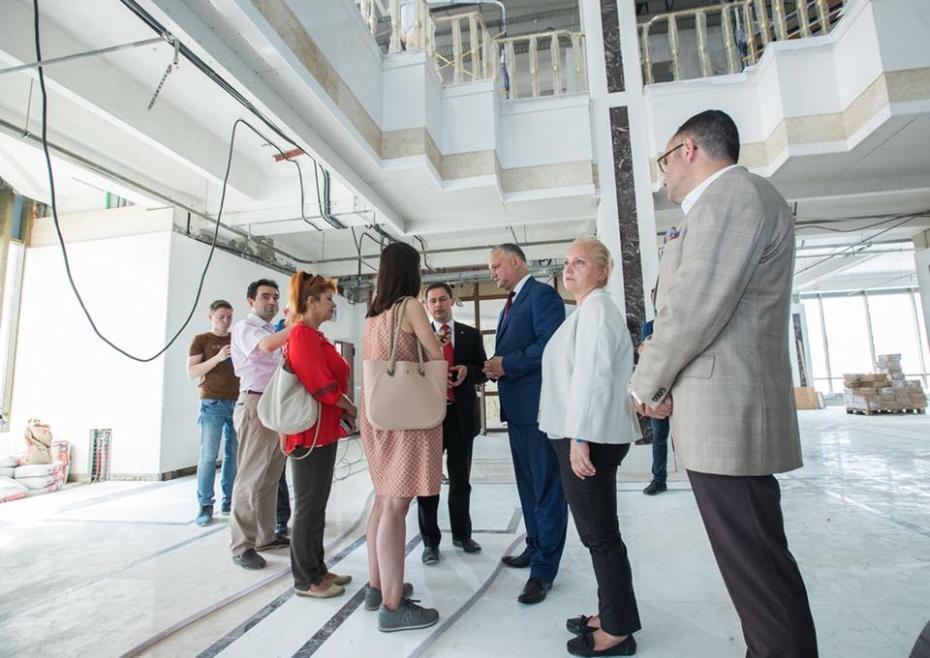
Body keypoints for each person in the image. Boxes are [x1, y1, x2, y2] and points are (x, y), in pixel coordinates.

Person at [630, 109, 818, 657]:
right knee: (757, 567)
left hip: (728, 416)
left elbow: (693, 309)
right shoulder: (727, 201)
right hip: (724, 412)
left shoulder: (731, 196)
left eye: (664, 160)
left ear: (687, 150)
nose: (664, 174)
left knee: (757, 572)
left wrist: (644, 386)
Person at [539, 237, 642, 657]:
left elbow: (592, 375)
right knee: (599, 535)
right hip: (586, 434)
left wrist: (579, 437)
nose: (569, 268)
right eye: (567, 262)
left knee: (601, 537)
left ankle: (618, 631)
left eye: (580, 262)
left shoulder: (597, 309)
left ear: (603, 272)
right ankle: (611, 612)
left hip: (589, 437)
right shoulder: (588, 310)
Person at [359, 241, 446, 632]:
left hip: (377, 412)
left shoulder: (372, 313)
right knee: (396, 507)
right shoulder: (409, 306)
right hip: (406, 417)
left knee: (382, 500)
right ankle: (393, 607)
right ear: (410, 271)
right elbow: (435, 354)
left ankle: (377, 586)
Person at [485, 243, 567, 605]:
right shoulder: (511, 303)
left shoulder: (542, 296)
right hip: (518, 412)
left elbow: (549, 346)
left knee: (547, 489)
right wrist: (495, 366)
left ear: (516, 262)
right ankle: (535, 547)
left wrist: (507, 364)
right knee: (529, 488)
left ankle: (544, 570)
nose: (492, 273)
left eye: (496, 266)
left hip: (538, 411)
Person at [283, 271, 356, 598]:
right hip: (307, 434)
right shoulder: (301, 335)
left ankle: (317, 568)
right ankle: (305, 579)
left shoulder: (316, 335)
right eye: (328, 300)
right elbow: (322, 386)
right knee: (308, 506)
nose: (332, 305)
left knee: (318, 505)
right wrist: (351, 407)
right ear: (311, 302)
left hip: (323, 431)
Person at [417, 282, 488, 565]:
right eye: (432, 301)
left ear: (452, 301)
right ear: (426, 306)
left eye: (442, 299)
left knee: (461, 481)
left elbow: (483, 371)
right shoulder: (419, 337)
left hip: (461, 417)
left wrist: (467, 372)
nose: (438, 305)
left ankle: (462, 535)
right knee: (427, 483)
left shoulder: (470, 335)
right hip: (429, 419)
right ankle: (430, 542)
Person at [229, 279, 293, 570]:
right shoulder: (246, 328)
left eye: (275, 297)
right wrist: (300, 325)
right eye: (265, 296)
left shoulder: (271, 330)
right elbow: (266, 347)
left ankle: (266, 536)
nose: (271, 302)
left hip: (276, 405)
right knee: (250, 477)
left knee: (271, 476)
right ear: (251, 301)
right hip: (255, 404)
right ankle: (242, 545)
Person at [187, 300, 239, 527]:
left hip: (237, 402)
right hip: (212, 402)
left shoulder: (236, 338)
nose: (226, 321)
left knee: (233, 454)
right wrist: (217, 358)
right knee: (208, 456)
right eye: (221, 317)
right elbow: (192, 371)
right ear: (211, 317)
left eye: (229, 317)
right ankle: (205, 504)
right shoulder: (201, 340)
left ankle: (229, 500)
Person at [639, 288, 670, 496]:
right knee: (659, 437)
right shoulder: (649, 326)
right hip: (658, 391)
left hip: (680, 388)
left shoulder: (679, 323)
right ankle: (659, 479)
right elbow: (646, 355)